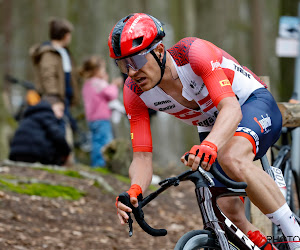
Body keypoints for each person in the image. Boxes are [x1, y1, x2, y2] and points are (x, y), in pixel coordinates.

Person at [109, 13, 300, 250]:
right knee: (226, 212)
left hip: (249, 103)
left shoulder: (193, 53)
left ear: (159, 51)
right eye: (121, 64)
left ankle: (296, 237)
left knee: (231, 156)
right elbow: (142, 156)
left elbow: (230, 108)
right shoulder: (134, 92)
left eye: (135, 62)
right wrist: (134, 190)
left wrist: (210, 145)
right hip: (212, 124)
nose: (130, 72)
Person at [29, 17, 80, 133]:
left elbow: (69, 76)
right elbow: (48, 76)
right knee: (58, 130)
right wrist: (54, 100)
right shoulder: (49, 53)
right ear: (65, 35)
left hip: (64, 99)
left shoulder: (64, 52)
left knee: (67, 129)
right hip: (55, 101)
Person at [79, 55, 123, 167]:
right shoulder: (98, 83)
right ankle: (101, 164)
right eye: (103, 69)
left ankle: (96, 163)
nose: (104, 71)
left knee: (95, 142)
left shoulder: (87, 84)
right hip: (101, 118)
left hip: (91, 119)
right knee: (104, 142)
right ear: (96, 70)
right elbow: (111, 95)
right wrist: (114, 85)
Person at [9, 95, 71, 166]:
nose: (61, 114)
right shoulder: (47, 115)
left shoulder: (31, 115)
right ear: (51, 106)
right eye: (60, 110)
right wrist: (67, 152)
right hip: (34, 153)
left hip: (16, 152)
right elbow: (58, 136)